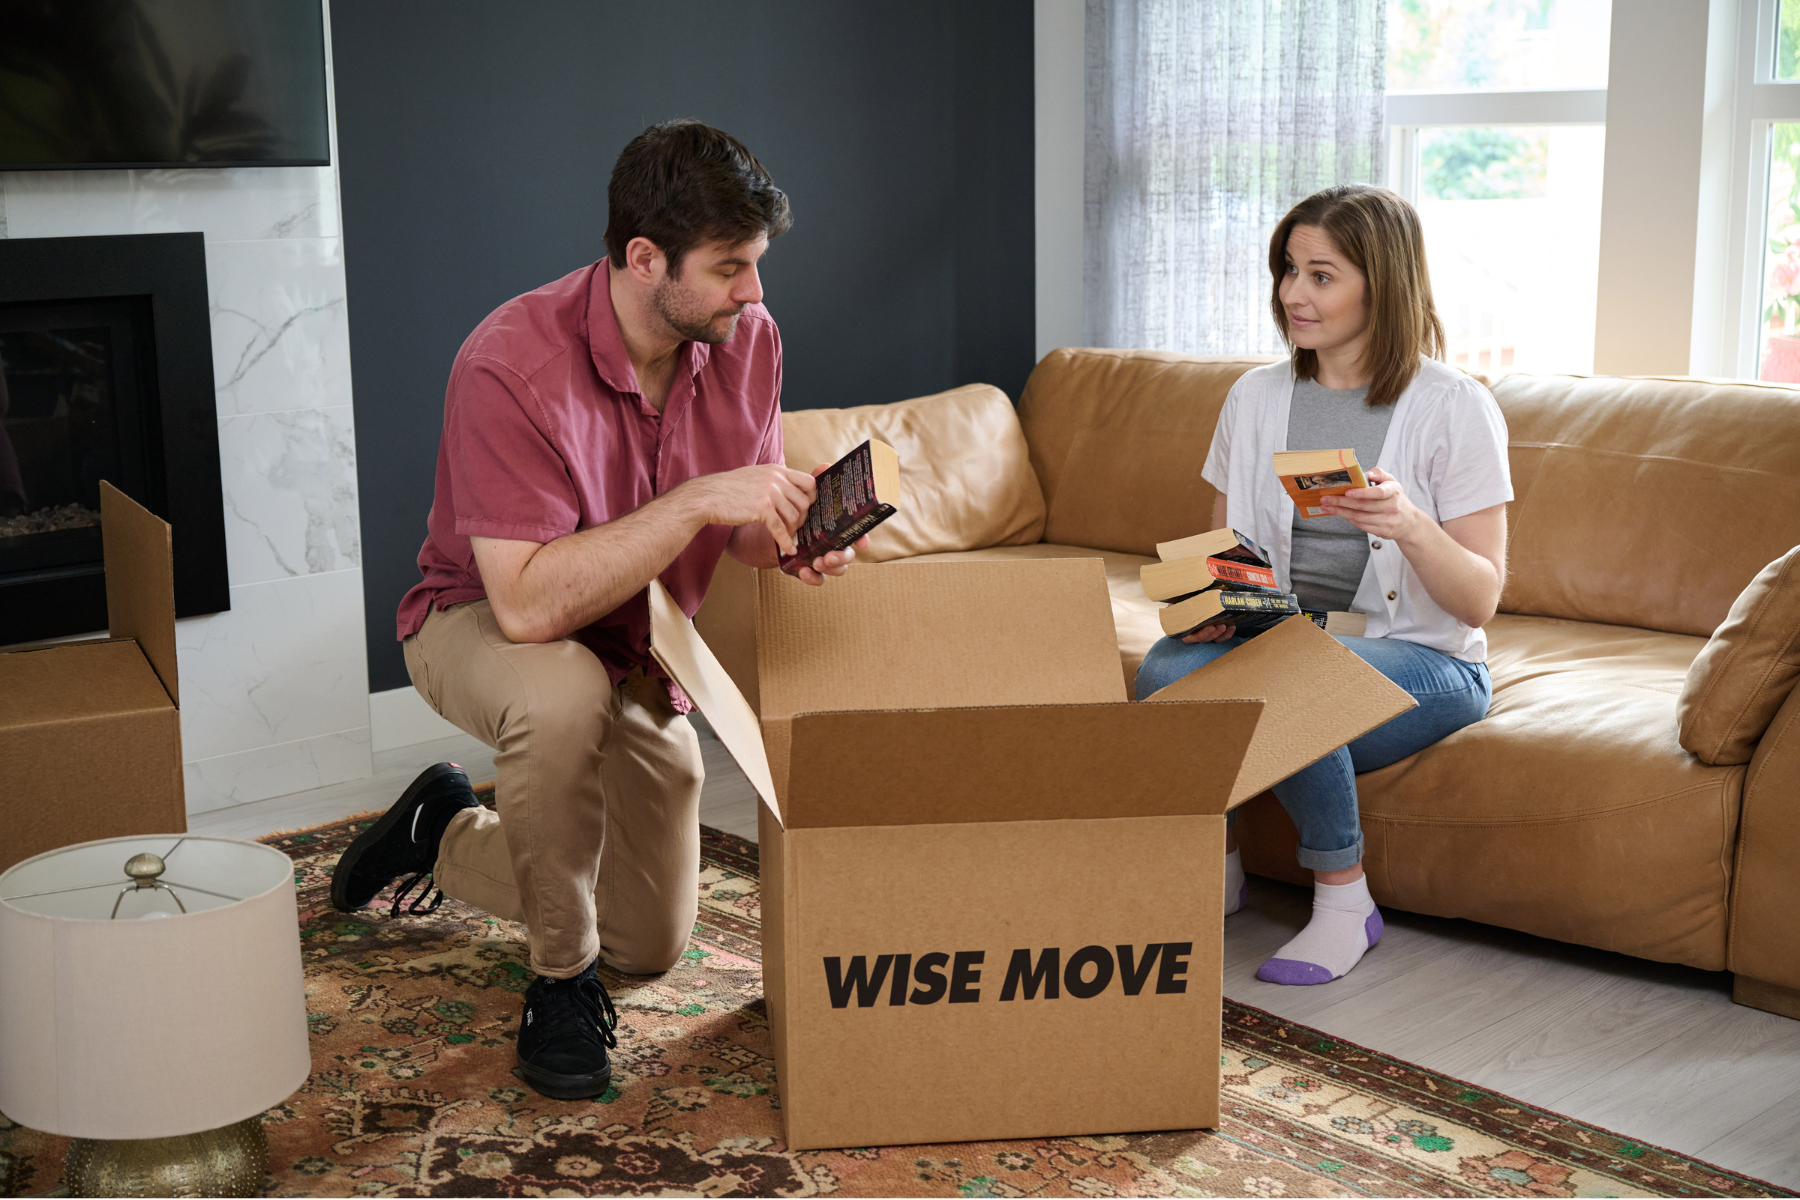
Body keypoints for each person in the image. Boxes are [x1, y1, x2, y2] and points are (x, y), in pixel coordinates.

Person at [330, 120, 863, 1100]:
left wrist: (791, 532)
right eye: (732, 267)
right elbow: (528, 606)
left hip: (640, 640)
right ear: (643, 257)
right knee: (561, 692)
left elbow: (740, 528)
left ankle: (439, 835)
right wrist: (706, 497)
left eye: (758, 264)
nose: (756, 292)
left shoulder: (745, 338)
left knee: (650, 941)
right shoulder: (507, 363)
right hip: (478, 622)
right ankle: (560, 987)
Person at [1134, 184, 1511, 986]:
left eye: (1321, 275)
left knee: (1289, 684)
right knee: (1165, 672)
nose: (1292, 295)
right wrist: (1206, 609)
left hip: (1426, 658)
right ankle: (1219, 866)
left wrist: (1409, 524)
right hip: (1281, 636)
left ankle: (1345, 901)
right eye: (1288, 270)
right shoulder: (1256, 396)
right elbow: (1223, 549)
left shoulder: (1454, 406)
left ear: (1382, 282)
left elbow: (1479, 599)